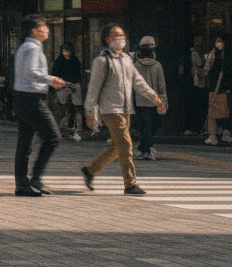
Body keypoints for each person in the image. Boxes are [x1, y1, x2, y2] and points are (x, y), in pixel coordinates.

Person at [81, 24, 165, 196]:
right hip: (110, 109)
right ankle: (130, 184)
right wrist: (89, 112)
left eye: (122, 35)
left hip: (126, 109)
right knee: (126, 145)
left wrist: (154, 97)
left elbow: (138, 81)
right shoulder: (102, 61)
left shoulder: (127, 59)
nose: (121, 38)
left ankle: (90, 171)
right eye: (116, 35)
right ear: (107, 39)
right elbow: (93, 89)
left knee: (116, 148)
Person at [12, 14, 67, 197]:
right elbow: (30, 72)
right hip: (32, 98)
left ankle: (22, 183)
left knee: (25, 144)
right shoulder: (32, 48)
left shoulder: (25, 47)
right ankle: (35, 178)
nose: (47, 30)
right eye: (44, 27)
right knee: (52, 136)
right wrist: (51, 79)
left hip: (22, 97)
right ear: (34, 30)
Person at [134, 36, 167, 161]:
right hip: (155, 100)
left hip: (140, 101)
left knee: (144, 126)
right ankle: (146, 148)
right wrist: (163, 102)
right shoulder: (157, 65)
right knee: (152, 125)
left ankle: (145, 148)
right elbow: (161, 85)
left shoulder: (136, 66)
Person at [51, 42, 86, 142]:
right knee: (62, 108)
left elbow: (79, 73)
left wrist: (79, 83)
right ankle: (58, 130)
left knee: (76, 108)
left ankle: (75, 130)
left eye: (68, 51)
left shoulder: (75, 61)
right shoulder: (59, 61)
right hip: (62, 86)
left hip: (74, 85)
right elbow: (55, 75)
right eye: (64, 51)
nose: (66, 53)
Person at [205, 36, 231, 145]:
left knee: (216, 109)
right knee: (221, 109)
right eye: (216, 41)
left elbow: (207, 68)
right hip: (221, 85)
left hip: (219, 85)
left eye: (220, 41)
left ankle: (215, 134)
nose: (218, 43)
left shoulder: (218, 53)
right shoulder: (218, 52)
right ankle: (220, 133)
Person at [184, 36, 208, 135]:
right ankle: (196, 127)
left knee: (195, 106)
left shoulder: (192, 53)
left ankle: (194, 127)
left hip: (194, 82)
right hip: (197, 82)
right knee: (197, 106)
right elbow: (200, 65)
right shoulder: (195, 53)